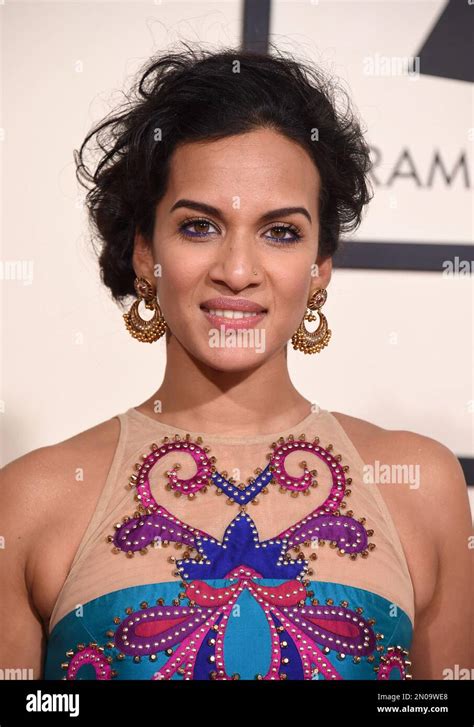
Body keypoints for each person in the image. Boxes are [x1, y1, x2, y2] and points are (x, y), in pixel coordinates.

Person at [1, 44, 471, 681]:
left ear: (320, 268)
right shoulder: (31, 501)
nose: (238, 272)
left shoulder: (422, 487)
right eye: (199, 226)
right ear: (145, 254)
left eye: (281, 232)